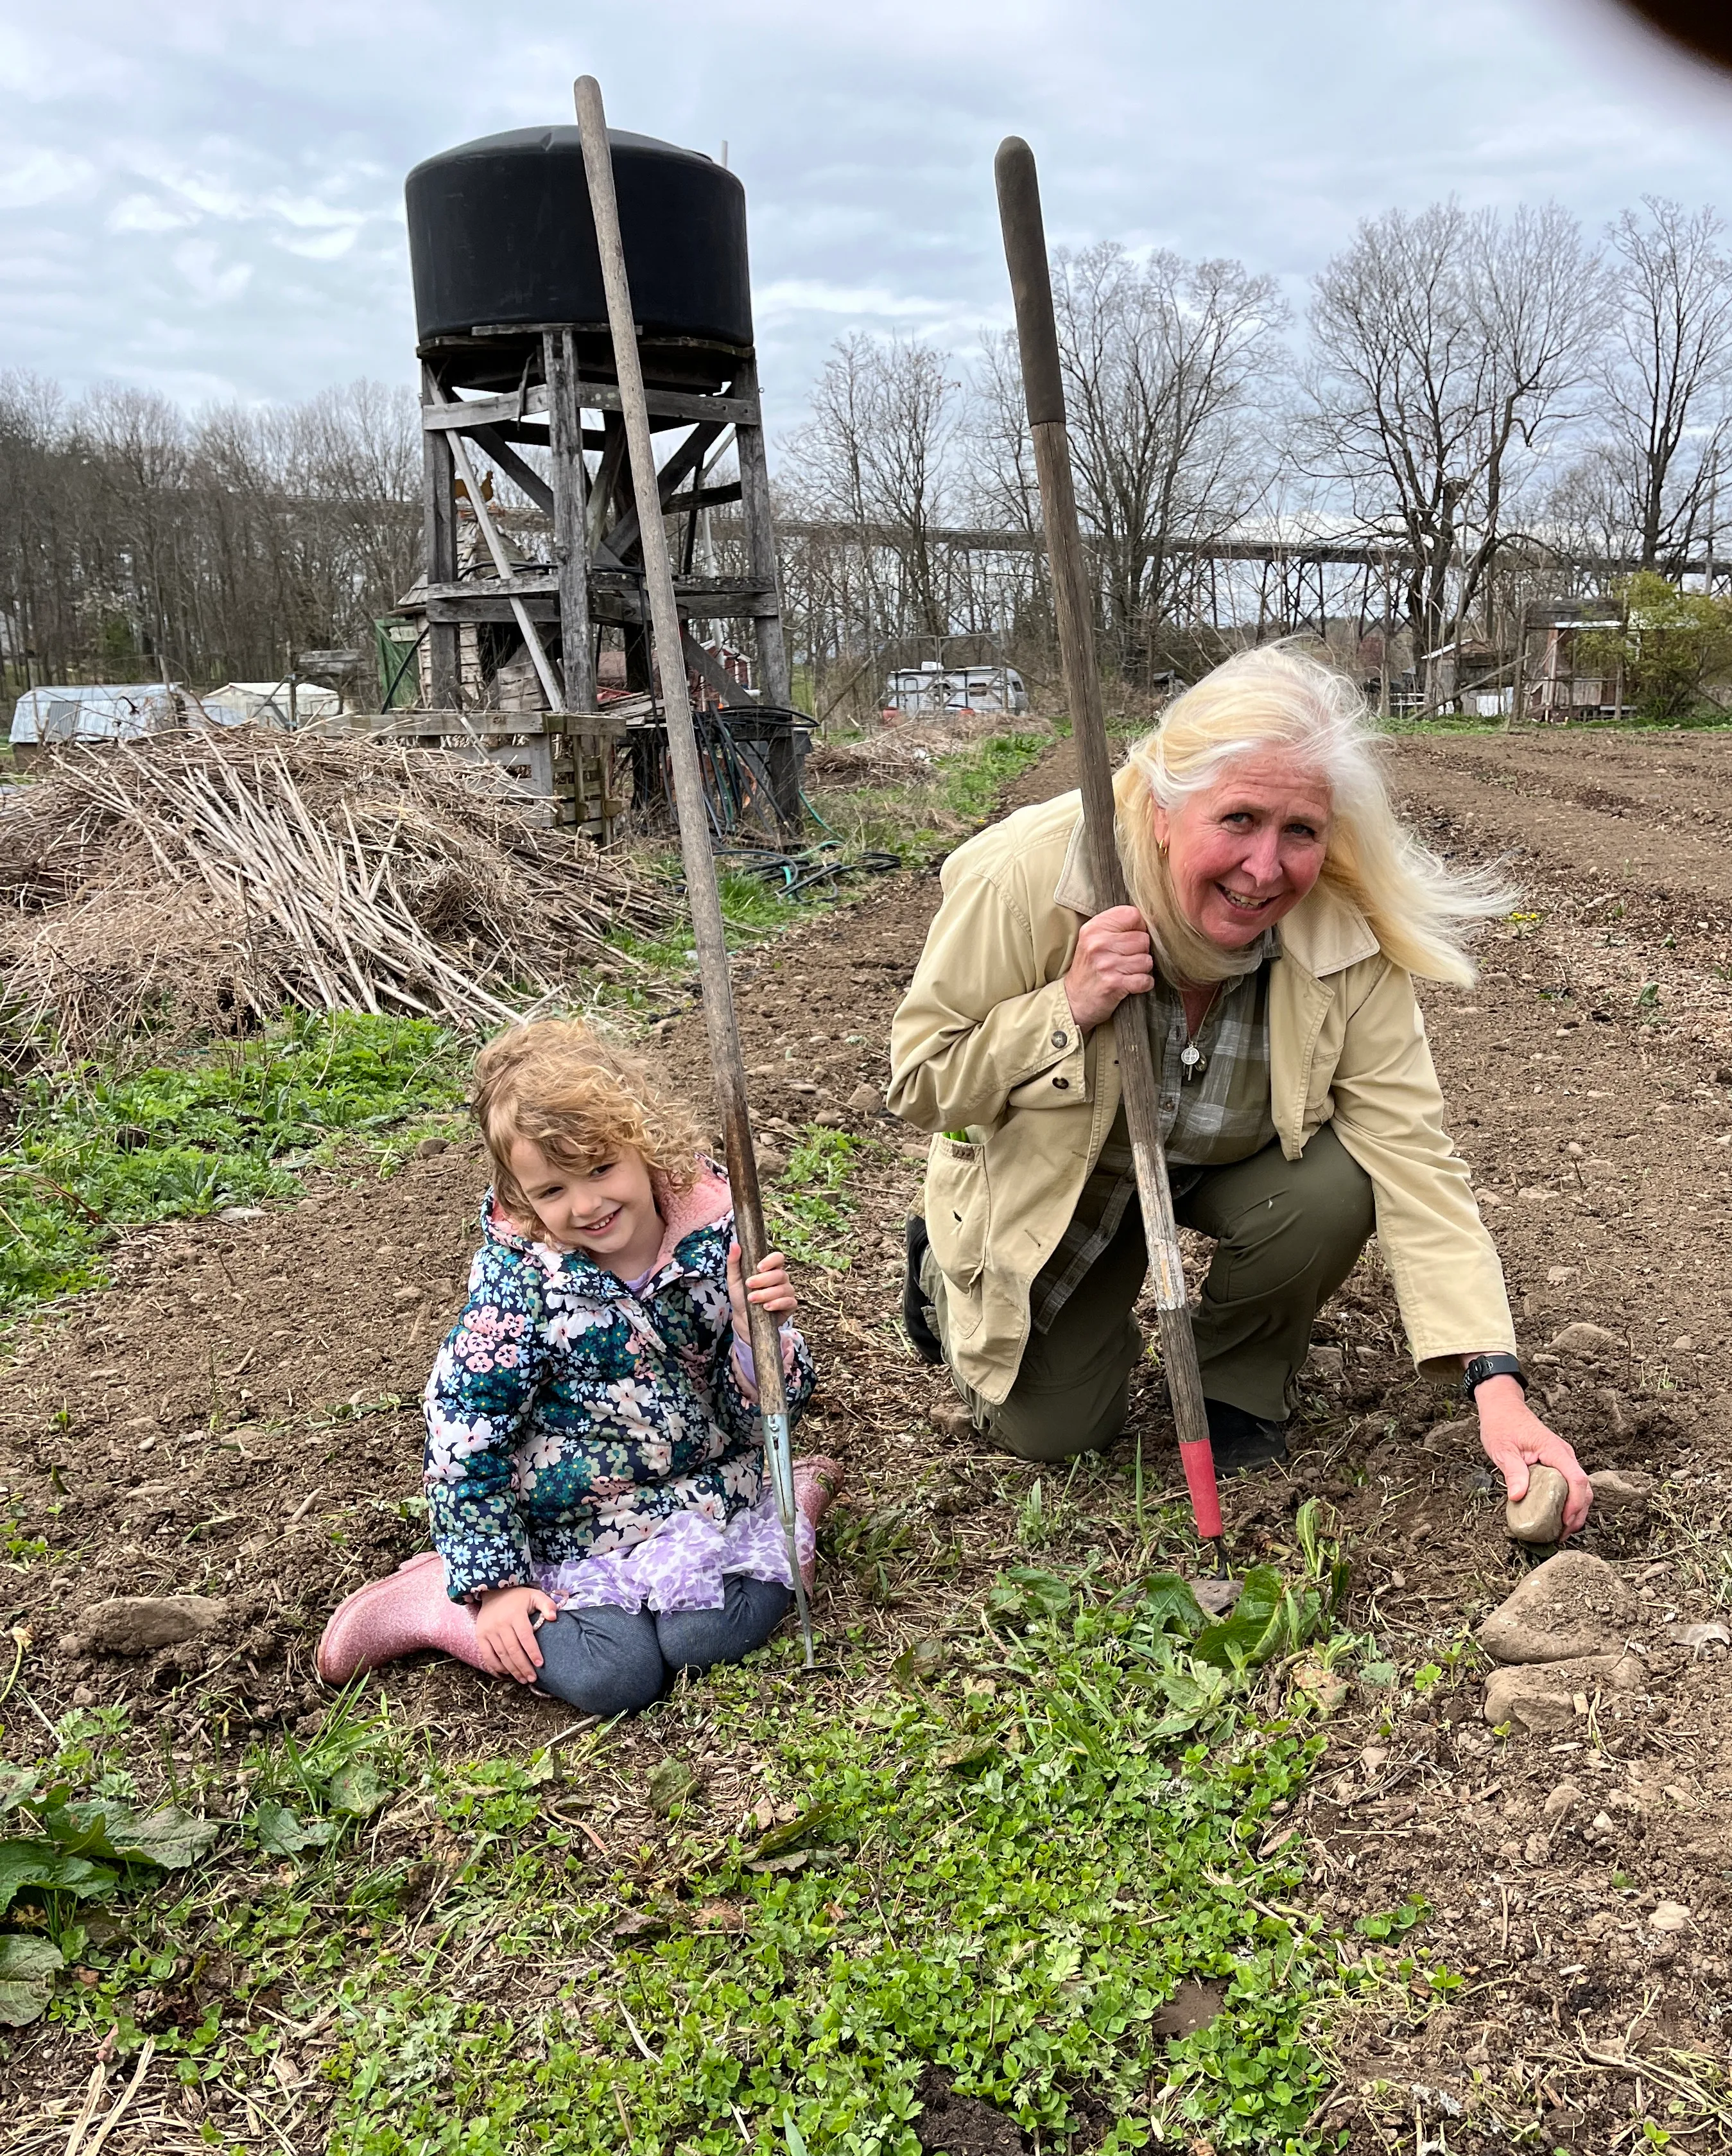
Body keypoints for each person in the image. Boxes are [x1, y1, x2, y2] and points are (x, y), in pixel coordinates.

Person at [888, 643, 1588, 1527]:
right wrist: (1066, 1004)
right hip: (1069, 1176)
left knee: (1337, 1186)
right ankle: (944, 1276)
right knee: (1057, 1434)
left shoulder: (1343, 932)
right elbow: (922, 1079)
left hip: (1230, 1156)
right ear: (1162, 807)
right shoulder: (1034, 877)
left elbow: (1413, 1155)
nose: (1266, 869)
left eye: (1300, 831)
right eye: (1239, 819)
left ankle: (1237, 1383)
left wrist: (1495, 1382)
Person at [316, 1018, 839, 1710]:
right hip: (574, 1533)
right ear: (519, 1199)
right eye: (554, 1191)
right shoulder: (519, 1292)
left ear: (644, 1143)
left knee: (705, 1639)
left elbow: (774, 1404)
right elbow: (464, 1435)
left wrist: (755, 1336)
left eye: (601, 1170)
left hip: (710, 1496)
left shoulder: (717, 1241)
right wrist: (495, 1585)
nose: (588, 1205)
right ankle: (441, 1602)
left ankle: (785, 1498)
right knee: (614, 1678)